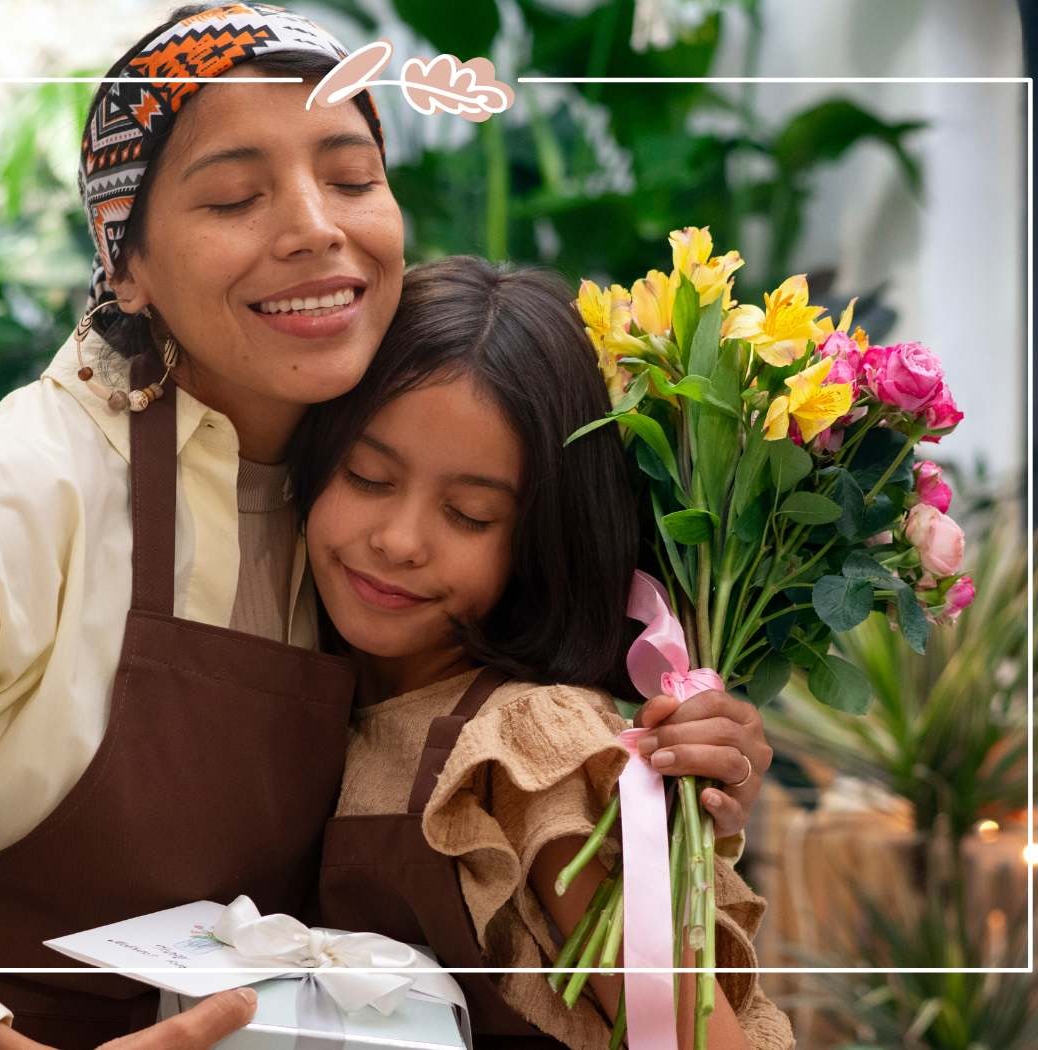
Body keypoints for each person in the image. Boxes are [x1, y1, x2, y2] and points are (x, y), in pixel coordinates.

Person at [0, 5, 773, 1049]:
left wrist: (681, 751)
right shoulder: (13, 491)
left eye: (351, 178)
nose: (315, 225)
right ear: (125, 263)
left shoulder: (352, 511)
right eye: (232, 196)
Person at [290, 257, 794, 1049]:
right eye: (368, 476)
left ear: (540, 540)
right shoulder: (311, 677)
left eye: (469, 514)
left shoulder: (530, 746)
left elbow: (694, 1036)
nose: (400, 540)